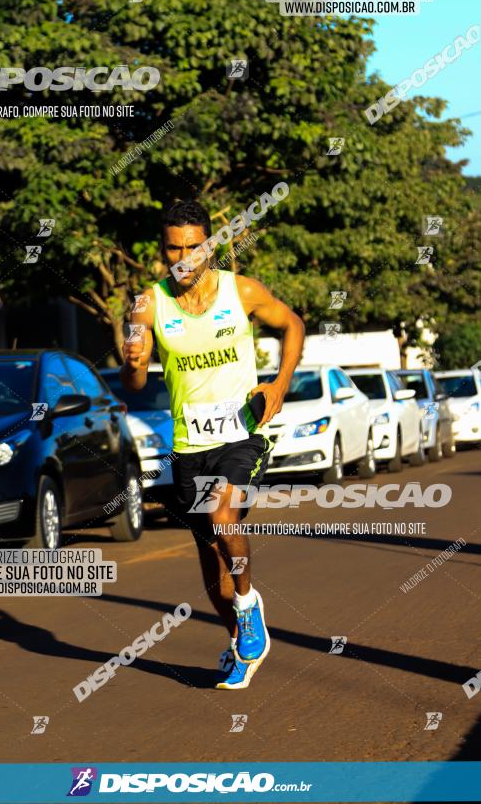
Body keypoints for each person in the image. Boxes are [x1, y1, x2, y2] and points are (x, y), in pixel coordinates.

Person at [120, 200, 305, 689]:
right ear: (162, 250)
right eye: (173, 249)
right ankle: (238, 641)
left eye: (193, 248)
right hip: (189, 444)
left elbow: (293, 325)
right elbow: (134, 381)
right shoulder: (148, 304)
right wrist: (135, 363)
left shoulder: (240, 291)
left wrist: (280, 385)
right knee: (212, 572)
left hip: (243, 433)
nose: (183, 259)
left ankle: (250, 609)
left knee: (224, 516)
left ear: (209, 247)